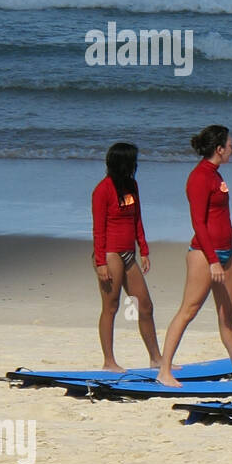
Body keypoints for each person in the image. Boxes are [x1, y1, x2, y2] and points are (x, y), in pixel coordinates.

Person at [157, 125, 232, 389]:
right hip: (204, 256)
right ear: (219, 149)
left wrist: (223, 257)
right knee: (189, 310)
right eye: (230, 144)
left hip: (226, 254)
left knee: (228, 313)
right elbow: (198, 222)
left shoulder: (216, 175)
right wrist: (212, 260)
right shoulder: (199, 177)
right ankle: (163, 370)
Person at [91, 142, 162, 371]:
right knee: (111, 307)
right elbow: (98, 229)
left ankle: (156, 359)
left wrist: (144, 249)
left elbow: (137, 219)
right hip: (110, 254)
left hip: (129, 254)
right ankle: (109, 362)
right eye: (132, 161)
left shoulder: (132, 186)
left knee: (145, 306)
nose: (136, 165)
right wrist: (101, 262)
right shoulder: (102, 190)